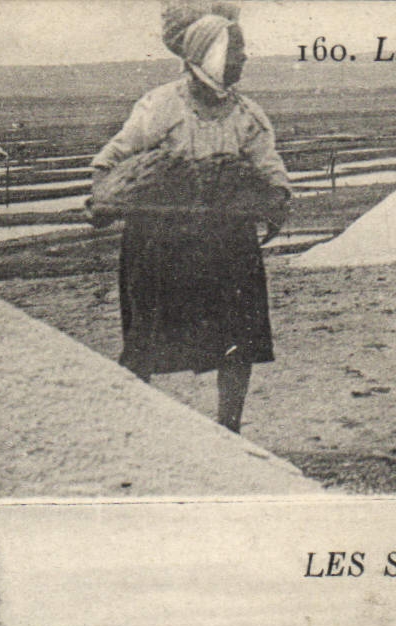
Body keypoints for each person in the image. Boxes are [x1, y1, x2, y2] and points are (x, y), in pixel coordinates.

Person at [87, 3, 290, 434]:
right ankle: (138, 431)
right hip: (161, 243)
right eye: (236, 51)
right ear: (212, 55)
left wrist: (275, 198)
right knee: (146, 342)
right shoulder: (160, 107)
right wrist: (111, 193)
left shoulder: (247, 115)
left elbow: (269, 167)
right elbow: (110, 160)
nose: (245, 59)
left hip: (227, 243)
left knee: (237, 340)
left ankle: (229, 430)